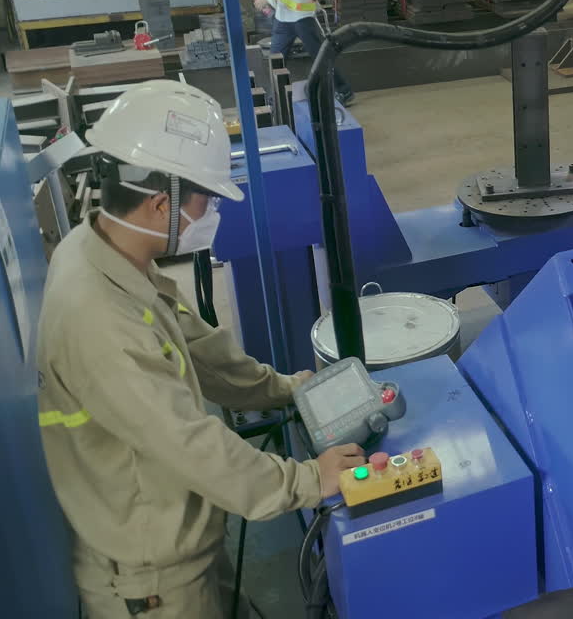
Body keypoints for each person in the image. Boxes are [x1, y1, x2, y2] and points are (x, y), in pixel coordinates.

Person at [36, 80, 366, 618]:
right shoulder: (96, 321)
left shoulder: (99, 247)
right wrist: (309, 479)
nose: (212, 210)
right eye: (206, 199)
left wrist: (281, 389)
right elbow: (191, 444)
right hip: (151, 580)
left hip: (175, 539)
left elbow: (194, 342)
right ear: (161, 204)